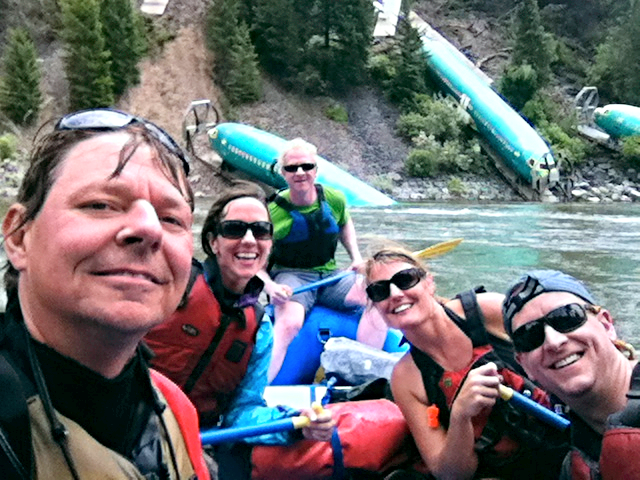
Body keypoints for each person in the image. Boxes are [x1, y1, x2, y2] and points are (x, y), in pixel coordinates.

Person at [0, 108, 210, 479]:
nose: (149, 229)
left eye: (172, 219)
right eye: (100, 204)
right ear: (18, 237)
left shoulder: (175, 408)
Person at [144, 180, 335, 479]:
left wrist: (295, 423)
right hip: (127, 426)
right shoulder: (169, 285)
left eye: (260, 231)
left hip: (194, 441)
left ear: (270, 244)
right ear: (214, 242)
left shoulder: (260, 328)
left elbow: (243, 412)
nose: (249, 240)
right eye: (234, 229)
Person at [362, 247, 568, 480]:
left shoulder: (488, 311)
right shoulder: (406, 378)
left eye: (405, 279)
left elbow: (563, 341)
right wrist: (460, 417)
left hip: (566, 439)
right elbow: (449, 473)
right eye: (379, 291)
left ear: (429, 283)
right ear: (375, 306)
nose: (395, 293)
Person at [263, 138, 387, 382]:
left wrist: (356, 258)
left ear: (316, 170)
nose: (300, 173)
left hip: (330, 277)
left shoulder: (335, 199)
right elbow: (254, 260)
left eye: (306, 166)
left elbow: (344, 224)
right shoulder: (271, 212)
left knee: (378, 296)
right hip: (292, 277)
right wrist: (270, 286)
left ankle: (366, 376)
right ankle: (259, 390)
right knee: (289, 323)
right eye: (291, 168)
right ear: (283, 174)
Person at [502, 269, 639, 480]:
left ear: (606, 324)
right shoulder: (574, 467)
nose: (554, 342)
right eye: (530, 335)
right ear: (524, 366)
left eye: (567, 317)